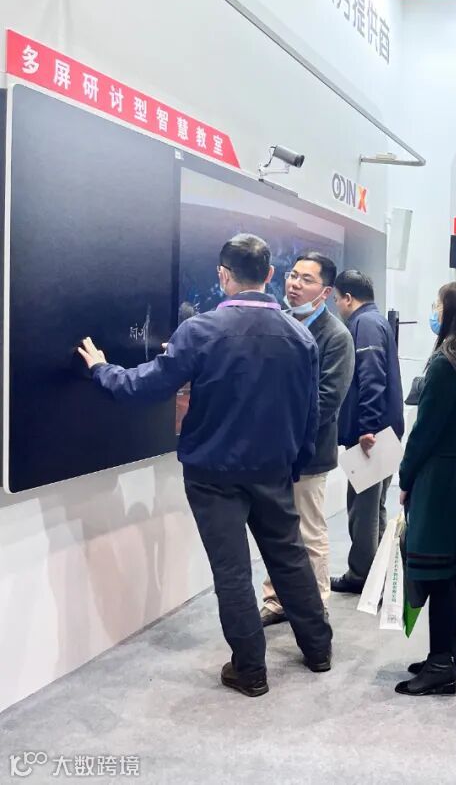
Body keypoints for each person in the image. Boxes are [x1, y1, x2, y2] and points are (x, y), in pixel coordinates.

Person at [77, 234, 331, 697]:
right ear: (270, 275)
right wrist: (293, 464)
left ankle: (250, 670)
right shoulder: (300, 336)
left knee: (232, 572)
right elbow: (310, 413)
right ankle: (319, 650)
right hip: (273, 468)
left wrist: (101, 369)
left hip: (214, 474)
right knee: (290, 558)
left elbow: (144, 387)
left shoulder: (200, 331)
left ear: (222, 275)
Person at [395, 282, 456, 697]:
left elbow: (424, 432)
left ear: (453, 311)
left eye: (438, 304)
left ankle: (439, 665)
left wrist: (405, 478)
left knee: (435, 571)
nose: (434, 310)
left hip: (438, 475)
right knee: (452, 570)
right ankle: (451, 653)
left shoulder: (445, 361)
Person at [260, 252, 355, 627]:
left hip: (308, 453)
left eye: (306, 279)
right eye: (293, 275)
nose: (294, 284)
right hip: (272, 451)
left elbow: (327, 401)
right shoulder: (279, 323)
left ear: (326, 292)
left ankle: (316, 607)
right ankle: (276, 598)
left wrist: (280, 426)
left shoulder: (336, 337)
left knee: (309, 531)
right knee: (275, 530)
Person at [329, 270, 405, 594]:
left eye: (336, 300)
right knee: (373, 506)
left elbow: (371, 378)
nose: (337, 307)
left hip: (372, 436)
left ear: (348, 298)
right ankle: (377, 571)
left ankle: (361, 575)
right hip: (383, 432)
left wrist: (367, 428)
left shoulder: (365, 324)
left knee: (362, 508)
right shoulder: (375, 321)